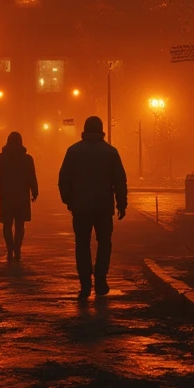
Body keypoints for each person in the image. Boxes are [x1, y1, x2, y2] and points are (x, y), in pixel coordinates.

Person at [58, 114, 127, 299]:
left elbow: (63, 179)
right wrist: (121, 203)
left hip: (80, 207)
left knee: (82, 243)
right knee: (104, 243)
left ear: (84, 130)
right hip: (104, 207)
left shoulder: (73, 151)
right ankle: (101, 279)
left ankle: (85, 282)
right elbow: (120, 180)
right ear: (101, 130)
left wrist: (69, 200)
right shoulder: (111, 152)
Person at [0, 131, 38, 261]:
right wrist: (34, 191)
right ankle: (17, 248)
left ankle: (10, 247)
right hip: (22, 195)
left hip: (6, 195)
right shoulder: (27, 159)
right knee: (20, 224)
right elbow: (31, 177)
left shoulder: (0, 158)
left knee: (7, 224)